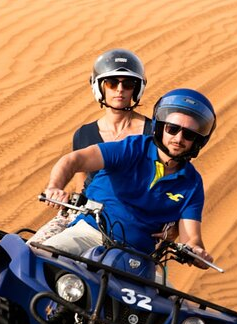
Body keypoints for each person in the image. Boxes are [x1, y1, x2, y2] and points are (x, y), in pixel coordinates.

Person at [40, 88, 217, 269]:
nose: (178, 138)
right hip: (88, 234)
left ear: (198, 141)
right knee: (40, 259)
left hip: (138, 258)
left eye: (189, 134)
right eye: (172, 129)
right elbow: (75, 160)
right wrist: (54, 187)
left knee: (165, 297)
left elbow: (191, 237)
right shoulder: (133, 148)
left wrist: (196, 251)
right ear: (160, 127)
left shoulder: (192, 183)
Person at [28, 48, 151, 244]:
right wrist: (55, 190)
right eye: (111, 83)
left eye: (128, 84)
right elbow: (81, 181)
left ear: (137, 89)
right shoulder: (84, 134)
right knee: (29, 252)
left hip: (130, 221)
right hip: (84, 214)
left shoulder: (154, 133)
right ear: (99, 86)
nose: (120, 90)